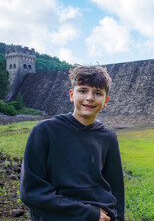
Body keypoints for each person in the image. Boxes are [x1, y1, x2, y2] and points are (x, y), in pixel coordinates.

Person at [20, 66, 125, 221]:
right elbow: (31, 191)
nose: (90, 97)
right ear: (71, 95)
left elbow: (116, 189)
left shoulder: (108, 137)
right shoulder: (44, 131)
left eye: (97, 93)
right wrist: (88, 214)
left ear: (105, 101)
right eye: (83, 90)